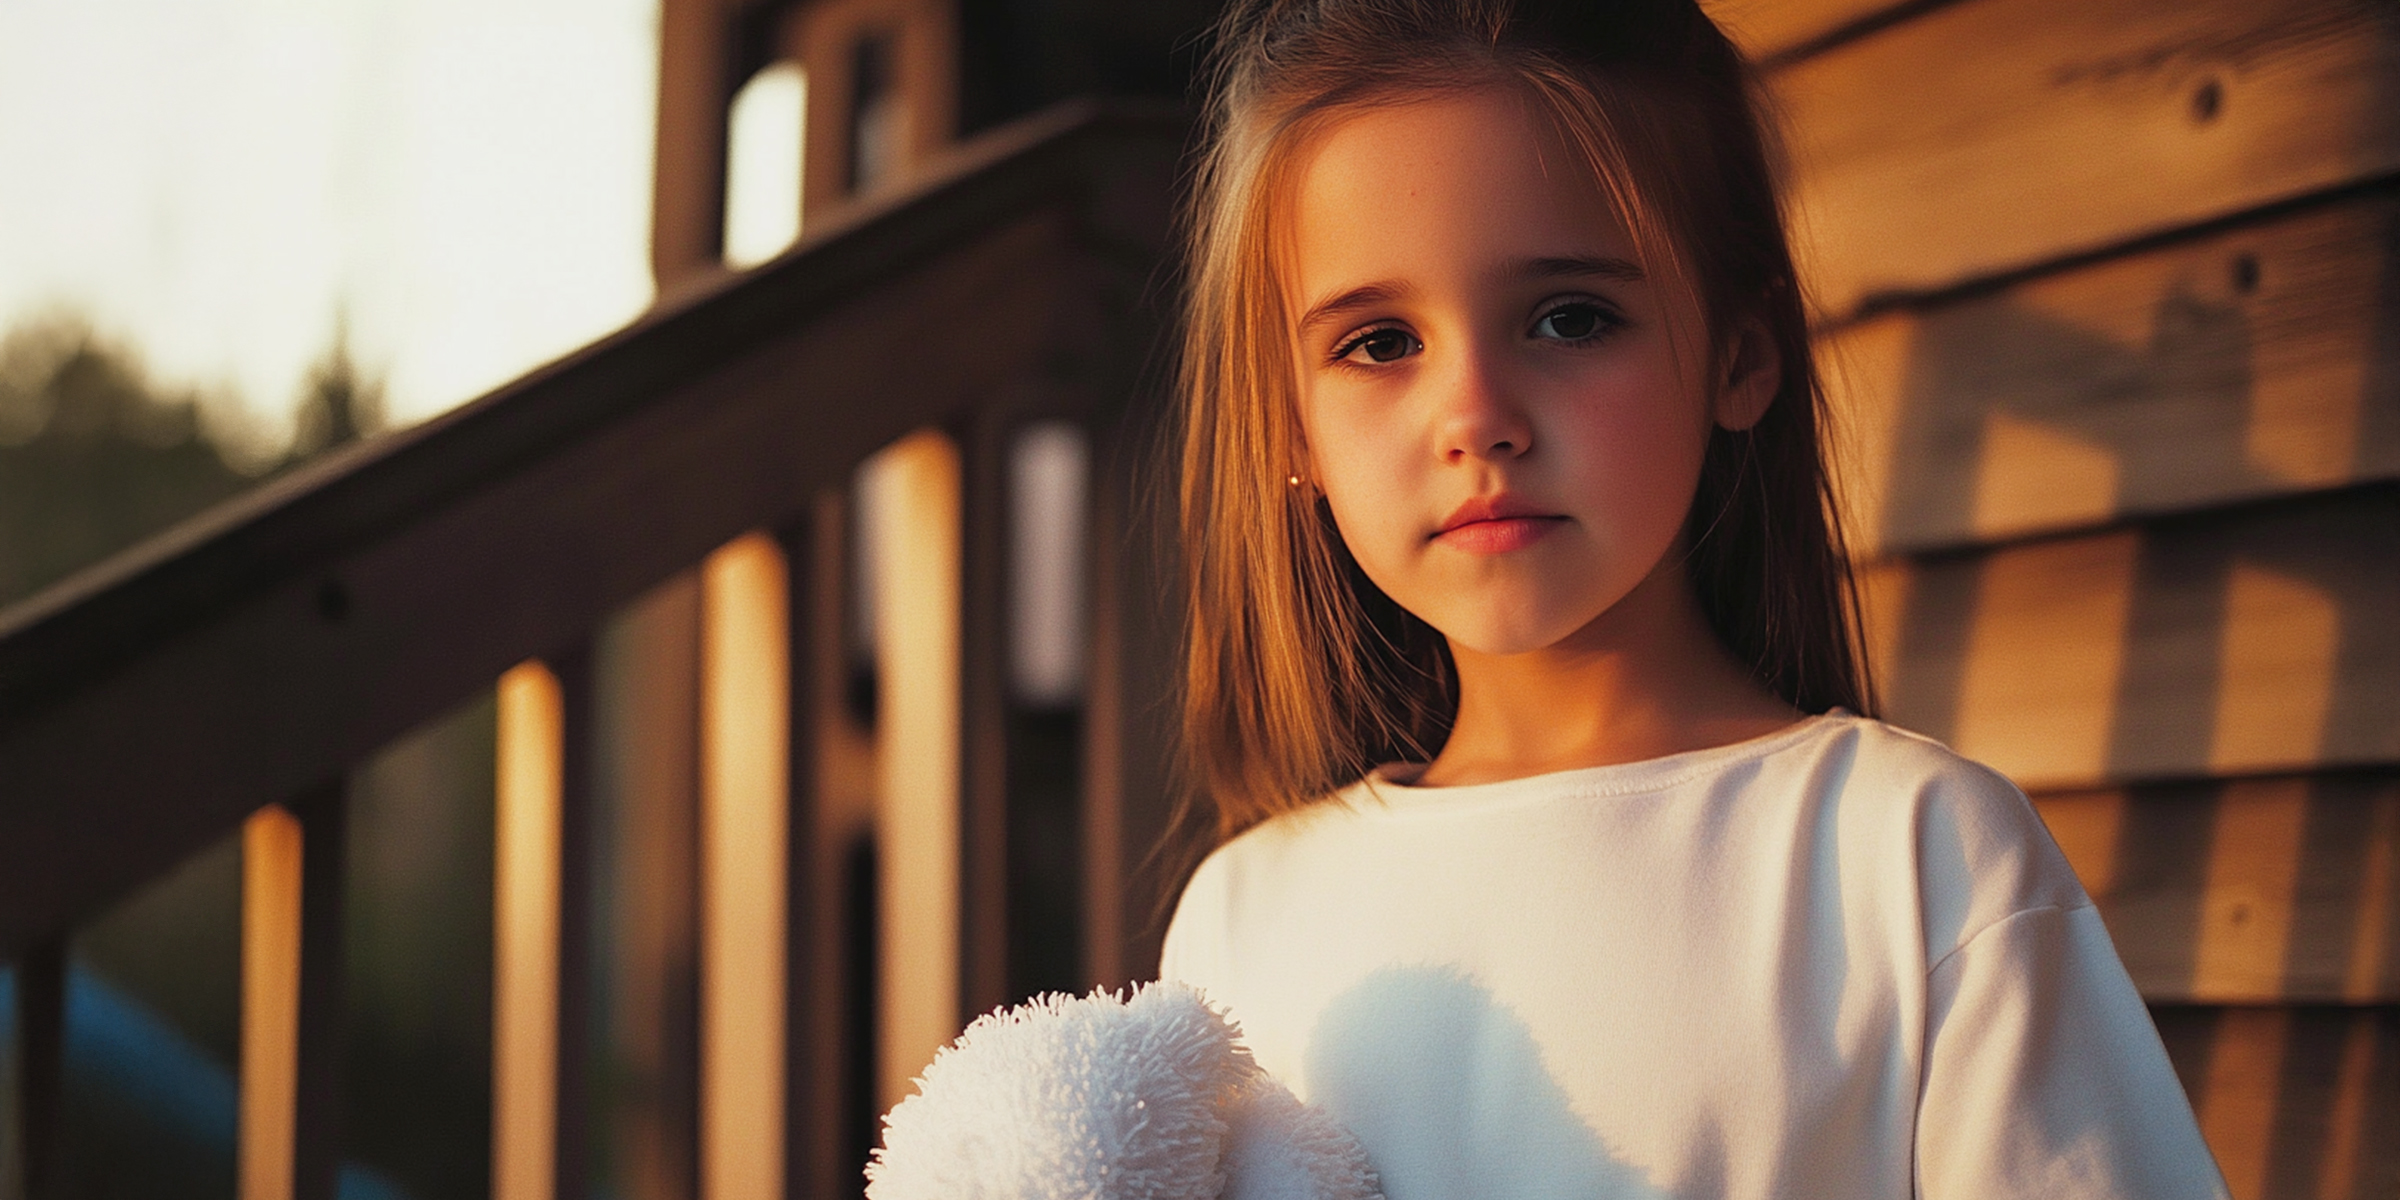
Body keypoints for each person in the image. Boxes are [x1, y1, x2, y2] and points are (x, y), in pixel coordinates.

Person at [1155, 1, 2231, 1196]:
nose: (1474, 418)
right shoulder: (1241, 920)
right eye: (1377, 342)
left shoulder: (1914, 858)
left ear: (1740, 355)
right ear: (1289, 419)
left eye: (1571, 317)